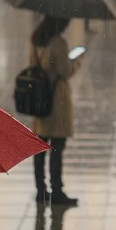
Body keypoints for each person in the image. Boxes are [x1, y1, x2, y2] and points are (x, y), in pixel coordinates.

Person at [29, 16, 80, 206]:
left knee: (40, 147)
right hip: (56, 99)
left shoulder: (35, 39)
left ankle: (41, 190)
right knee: (57, 147)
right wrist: (76, 62)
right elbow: (65, 71)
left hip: (39, 97)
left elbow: (33, 65)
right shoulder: (59, 43)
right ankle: (57, 190)